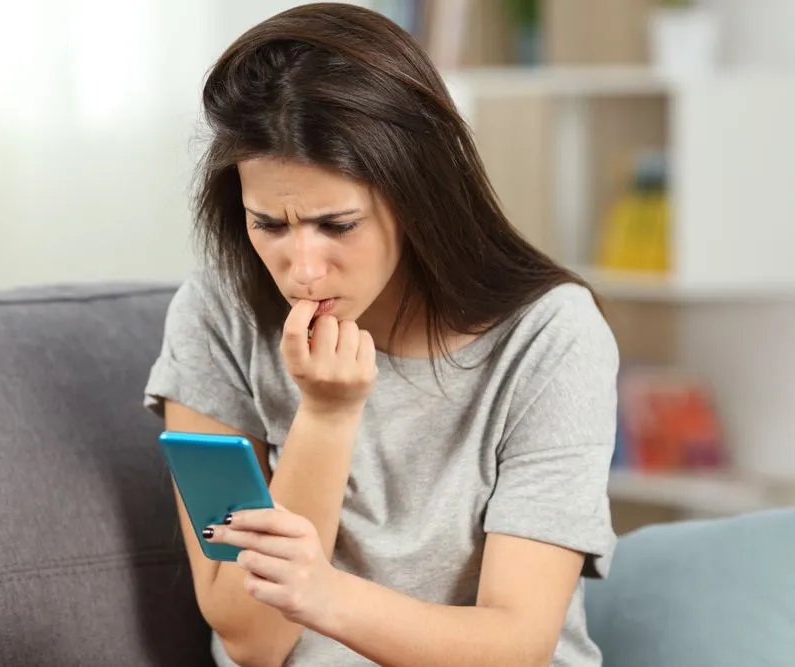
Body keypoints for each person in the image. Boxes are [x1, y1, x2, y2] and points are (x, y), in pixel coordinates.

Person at [143, 3, 619, 666]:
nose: (303, 270)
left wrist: (325, 595)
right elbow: (252, 639)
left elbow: (518, 643)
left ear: (418, 196)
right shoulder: (217, 315)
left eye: (337, 225)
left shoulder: (551, 335)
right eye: (269, 225)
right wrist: (325, 417)